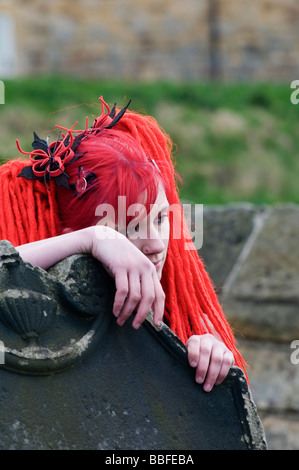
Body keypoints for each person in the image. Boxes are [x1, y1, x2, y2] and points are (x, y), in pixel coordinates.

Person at [0, 96, 247, 391]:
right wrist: (90, 239)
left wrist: (208, 351)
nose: (155, 244)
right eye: (129, 228)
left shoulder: (187, 321)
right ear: (69, 233)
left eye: (160, 218)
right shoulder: (39, 303)